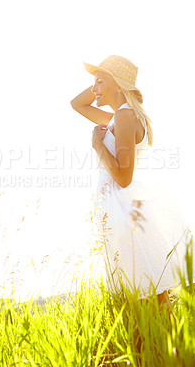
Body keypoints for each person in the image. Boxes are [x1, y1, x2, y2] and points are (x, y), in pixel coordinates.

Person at [70, 55, 194, 312]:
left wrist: (97, 145)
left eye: (99, 82)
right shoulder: (119, 117)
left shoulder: (125, 117)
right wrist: (101, 83)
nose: (93, 89)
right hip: (126, 212)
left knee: (147, 298)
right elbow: (77, 104)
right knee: (153, 298)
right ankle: (163, 349)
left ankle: (160, 348)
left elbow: (124, 178)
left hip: (126, 213)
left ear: (117, 84)